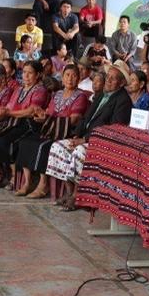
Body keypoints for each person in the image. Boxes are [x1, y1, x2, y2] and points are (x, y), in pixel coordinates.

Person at [45, 61, 133, 211]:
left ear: (122, 82)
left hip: (102, 143)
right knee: (57, 146)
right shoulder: (102, 95)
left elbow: (113, 130)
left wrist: (84, 140)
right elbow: (86, 118)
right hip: (85, 137)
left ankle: (77, 196)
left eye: (114, 78)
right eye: (108, 76)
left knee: (79, 152)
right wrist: (77, 135)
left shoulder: (123, 100)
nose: (109, 80)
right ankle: (68, 191)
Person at [16, 64, 89, 197]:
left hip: (66, 132)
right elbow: (49, 112)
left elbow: (73, 119)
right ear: (62, 77)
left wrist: (48, 119)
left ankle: (43, 185)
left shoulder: (81, 96)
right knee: (25, 142)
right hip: (51, 128)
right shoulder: (57, 94)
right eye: (67, 75)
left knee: (44, 147)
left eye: (74, 76)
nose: (70, 79)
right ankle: (28, 183)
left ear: (78, 79)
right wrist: (42, 116)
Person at [0, 60, 49, 190]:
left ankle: (13, 176)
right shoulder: (19, 89)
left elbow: (31, 111)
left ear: (38, 75)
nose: (26, 76)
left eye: (30, 73)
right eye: (24, 72)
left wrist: (10, 112)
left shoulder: (40, 90)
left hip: (29, 124)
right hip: (12, 121)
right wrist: (4, 111)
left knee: (6, 141)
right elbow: (9, 106)